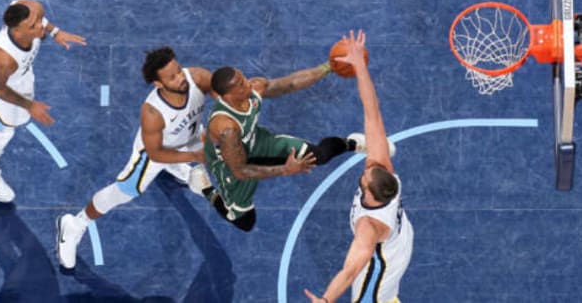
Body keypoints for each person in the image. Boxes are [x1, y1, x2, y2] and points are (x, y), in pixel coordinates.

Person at [56, 46, 216, 269]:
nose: (181, 78)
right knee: (127, 191)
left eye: (179, 70)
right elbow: (155, 153)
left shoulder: (197, 77)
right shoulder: (152, 113)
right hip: (157, 150)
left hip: (190, 135)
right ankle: (75, 224)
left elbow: (225, 100)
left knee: (222, 149)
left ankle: (179, 167)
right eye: (172, 77)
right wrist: (195, 156)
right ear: (158, 84)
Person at [203, 54, 394, 232]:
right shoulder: (226, 128)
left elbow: (290, 84)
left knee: (318, 155)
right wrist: (286, 169)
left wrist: (328, 67)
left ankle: (353, 143)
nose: (247, 84)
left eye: (243, 77)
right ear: (226, 96)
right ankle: (206, 188)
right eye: (240, 85)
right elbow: (240, 170)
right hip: (232, 164)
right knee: (245, 222)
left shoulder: (253, 89)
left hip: (258, 141)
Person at [304, 30, 412, 303]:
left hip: (382, 266)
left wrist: (326, 299)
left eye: (365, 177)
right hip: (399, 241)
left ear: (371, 194)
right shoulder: (382, 169)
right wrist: (360, 67)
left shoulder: (369, 227)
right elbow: (372, 112)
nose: (365, 168)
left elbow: (351, 270)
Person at [0, 0, 87, 203]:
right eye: (33, 26)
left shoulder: (29, 9)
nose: (40, 27)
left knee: (12, 124)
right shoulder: (4, 58)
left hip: (20, 78)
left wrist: (55, 32)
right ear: (17, 31)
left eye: (38, 20)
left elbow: (37, 15)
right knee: (3, 130)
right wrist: (30, 105)